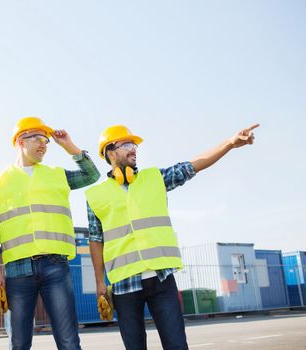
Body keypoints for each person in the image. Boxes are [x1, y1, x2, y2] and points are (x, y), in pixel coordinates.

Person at [85, 123, 258, 350]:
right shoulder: (95, 196)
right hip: (124, 284)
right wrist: (100, 283)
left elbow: (193, 165)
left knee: (177, 345)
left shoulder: (155, 178)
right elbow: (96, 240)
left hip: (161, 278)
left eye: (135, 145)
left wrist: (229, 144)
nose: (134, 149)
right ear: (109, 151)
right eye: (127, 144)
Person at [0, 116, 100, 350]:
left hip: (55, 266)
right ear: (19, 141)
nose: (43, 145)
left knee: (68, 341)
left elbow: (91, 175)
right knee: (18, 343)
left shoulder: (57, 174)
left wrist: (68, 145)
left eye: (46, 141)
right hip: (17, 270)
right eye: (37, 138)